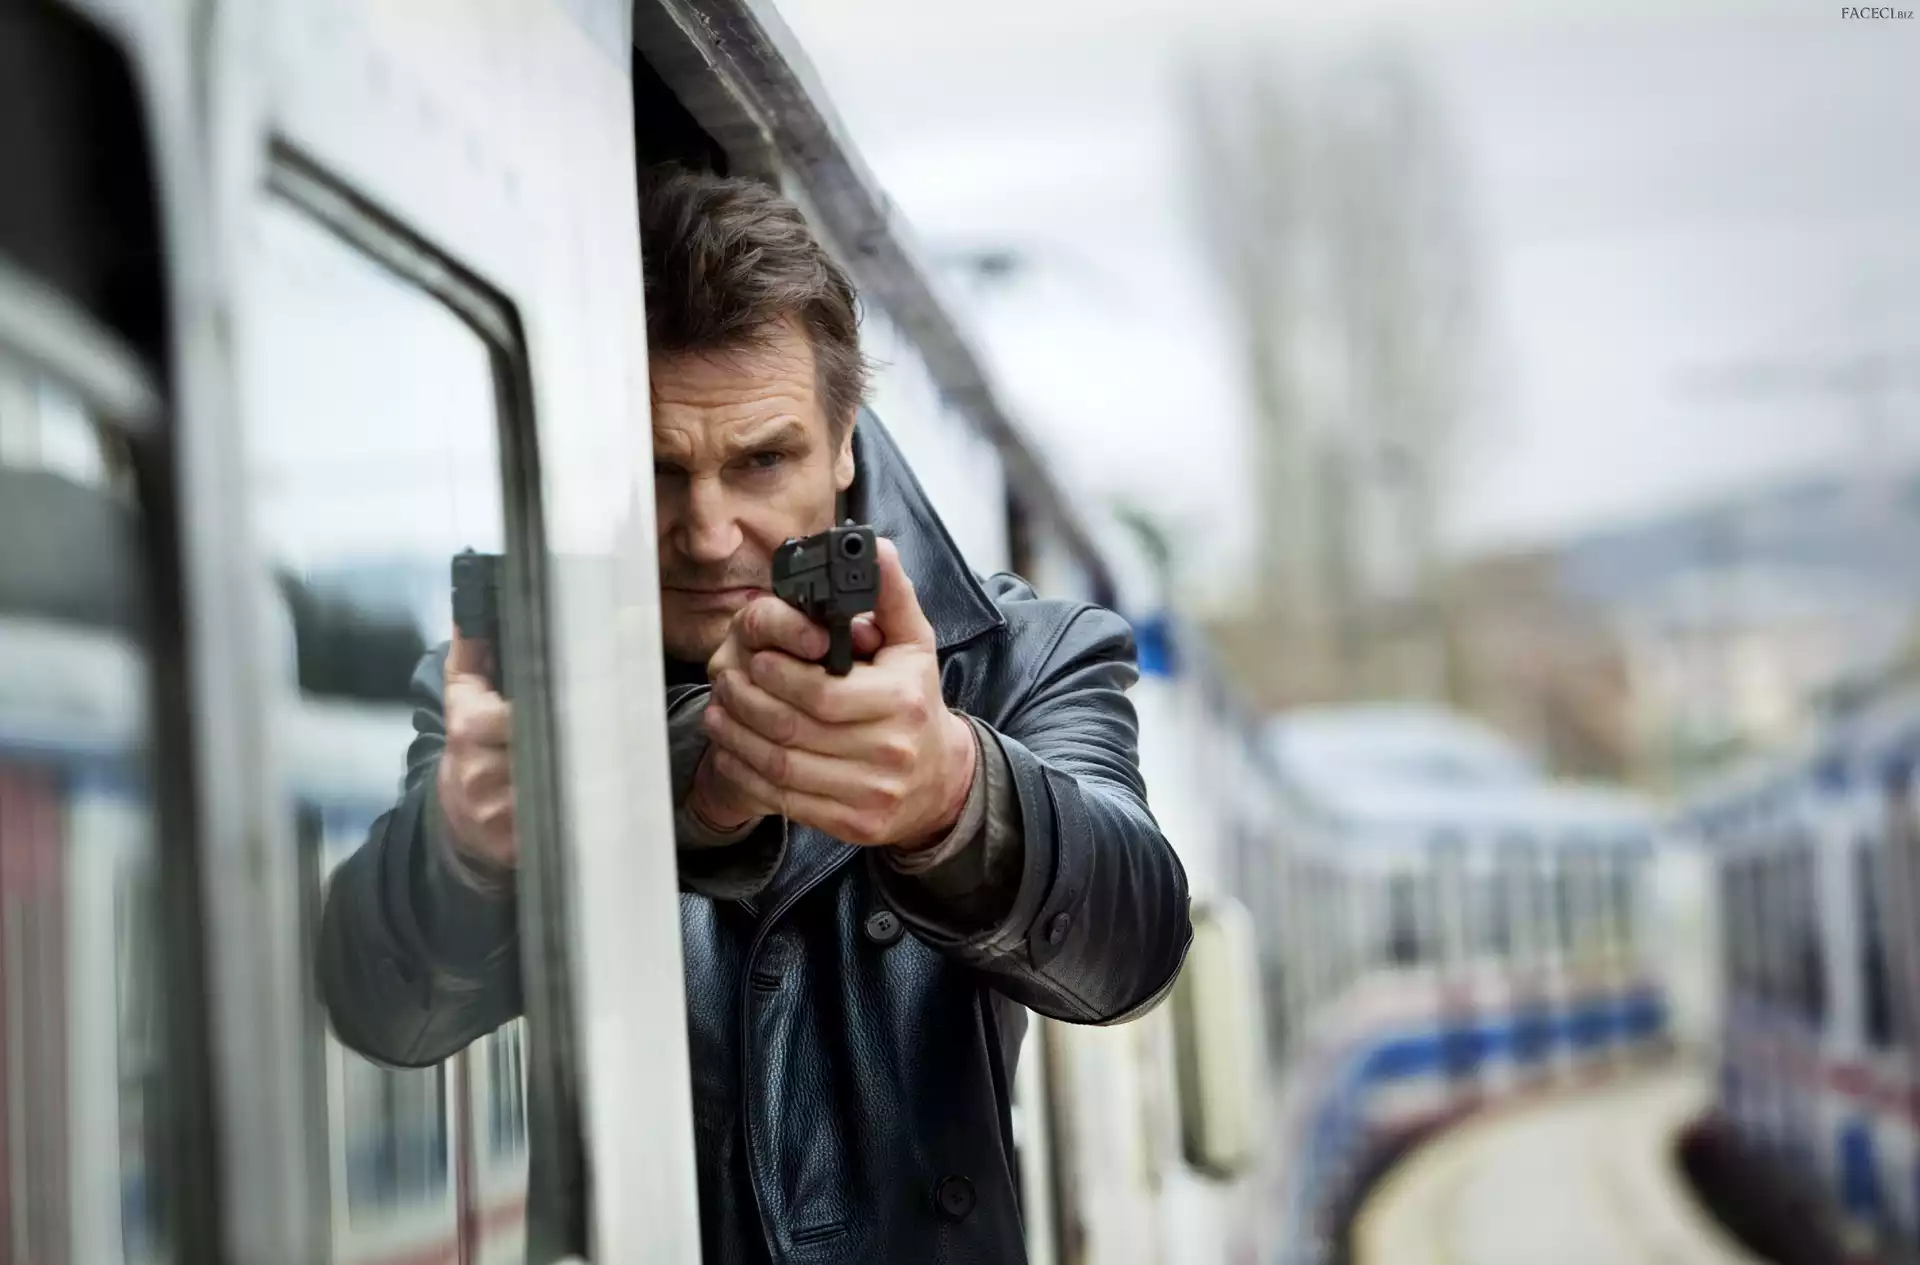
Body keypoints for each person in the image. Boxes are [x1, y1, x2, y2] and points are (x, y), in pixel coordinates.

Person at [318, 168, 1192, 1265]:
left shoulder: (1027, 654)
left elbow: (1136, 941)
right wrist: (466, 856)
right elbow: (382, 1007)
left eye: (762, 459)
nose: (707, 528)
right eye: (659, 468)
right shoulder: (503, 694)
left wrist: (956, 795)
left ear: (843, 439)